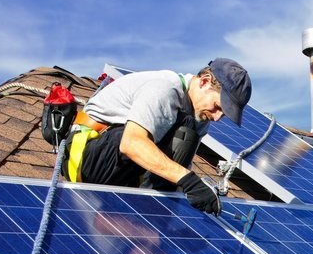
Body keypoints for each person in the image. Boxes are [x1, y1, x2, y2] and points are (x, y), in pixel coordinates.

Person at [63, 58, 252, 215]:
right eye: (218, 107)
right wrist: (189, 181)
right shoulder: (165, 88)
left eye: (223, 114)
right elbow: (131, 143)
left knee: (187, 132)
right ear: (204, 81)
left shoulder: (199, 118)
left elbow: (180, 168)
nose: (218, 117)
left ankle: (150, 216)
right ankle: (146, 214)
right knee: (183, 132)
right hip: (87, 158)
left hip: (121, 170)